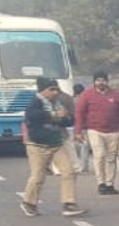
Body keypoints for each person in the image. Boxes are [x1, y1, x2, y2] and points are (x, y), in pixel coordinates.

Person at [20, 77, 86, 218]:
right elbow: (33, 116)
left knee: (69, 171)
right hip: (37, 145)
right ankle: (29, 203)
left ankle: (69, 203)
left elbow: (69, 121)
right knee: (38, 176)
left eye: (56, 89)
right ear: (43, 90)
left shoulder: (58, 103)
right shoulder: (35, 103)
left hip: (56, 143)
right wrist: (53, 115)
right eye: (51, 89)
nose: (55, 92)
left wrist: (64, 117)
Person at [74, 70, 119, 195]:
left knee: (111, 158)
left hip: (114, 131)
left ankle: (110, 184)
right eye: (98, 80)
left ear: (107, 81)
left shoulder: (116, 95)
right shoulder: (87, 95)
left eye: (103, 80)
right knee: (99, 156)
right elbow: (79, 113)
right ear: (94, 82)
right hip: (94, 130)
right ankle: (101, 183)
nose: (101, 83)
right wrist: (78, 131)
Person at [71, 83, 91, 173]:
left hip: (75, 125)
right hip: (85, 126)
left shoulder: (72, 100)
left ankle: (77, 165)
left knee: (76, 145)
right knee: (85, 146)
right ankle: (84, 166)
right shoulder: (87, 99)